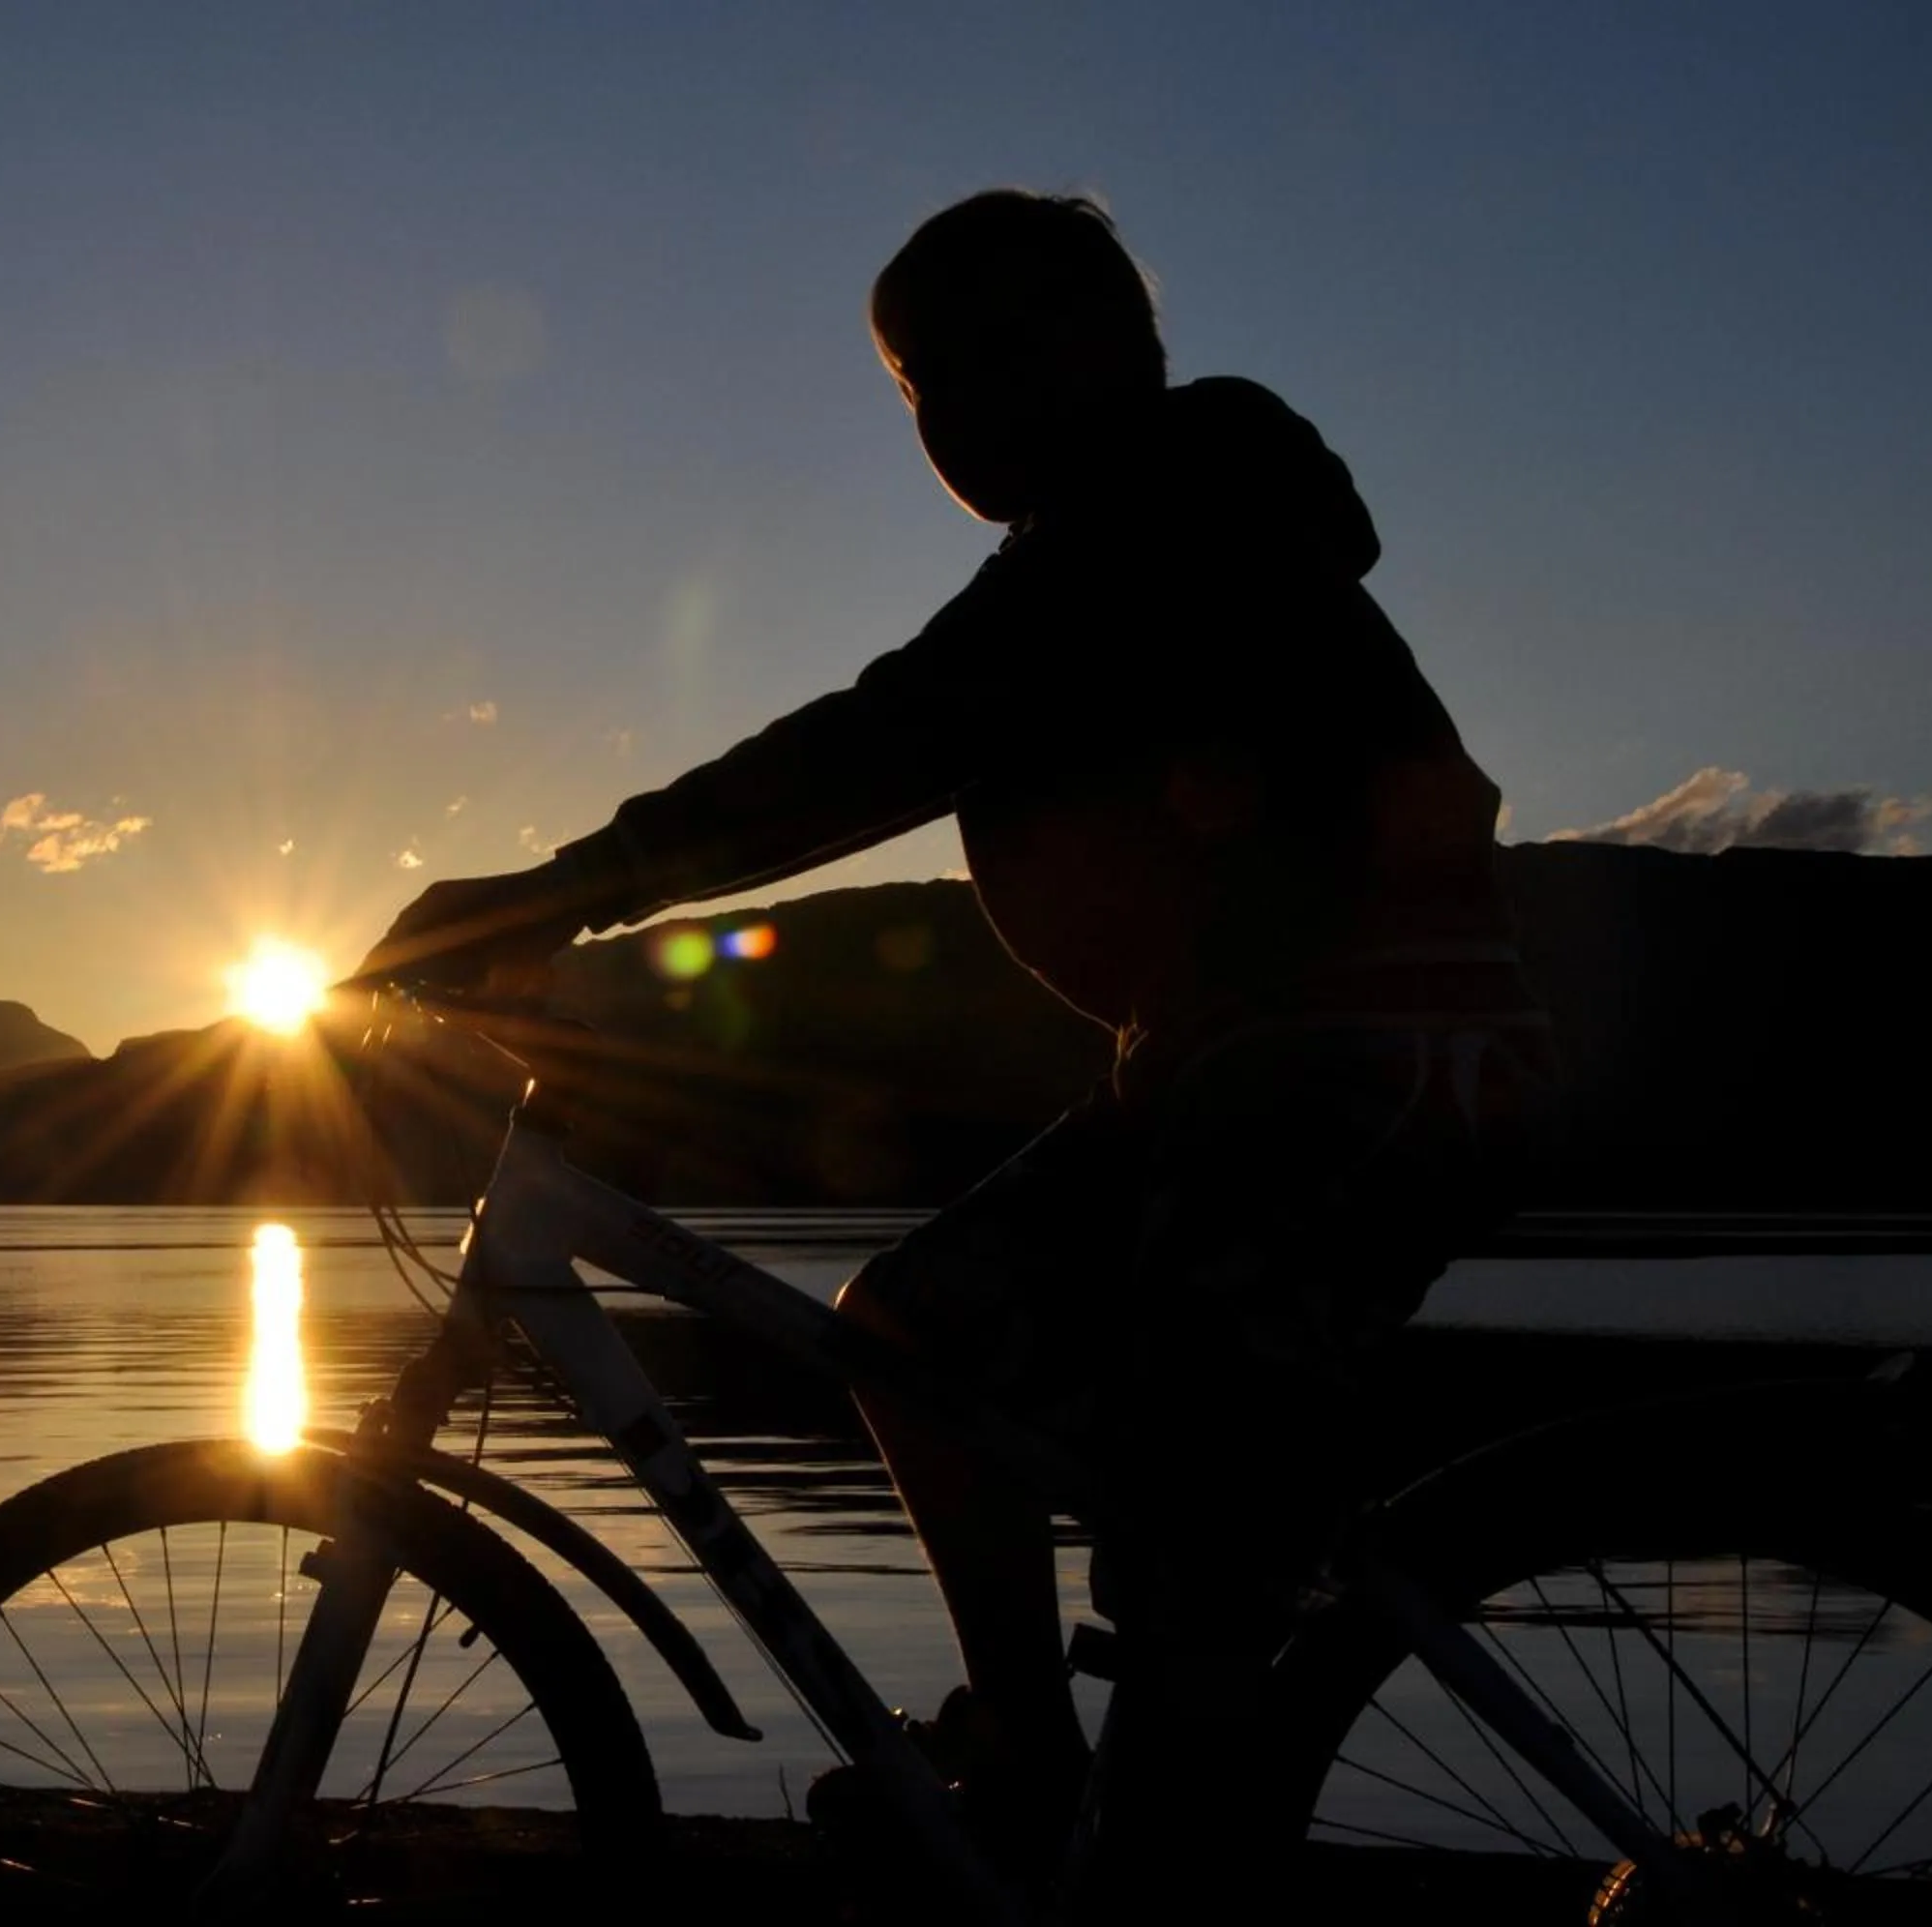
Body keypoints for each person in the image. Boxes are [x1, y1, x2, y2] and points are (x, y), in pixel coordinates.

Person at [358, 189, 1554, 1915]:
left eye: (1004, 349)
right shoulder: (1109, 540)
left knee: (1191, 1576)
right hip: (1227, 1074)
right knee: (912, 1332)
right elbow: (909, 732)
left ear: (1123, 350)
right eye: (921, 378)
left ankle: (1161, 1883)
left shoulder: (1171, 508)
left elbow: (870, 748)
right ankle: (1026, 1761)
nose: (960, 405)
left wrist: (568, 886)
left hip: (1362, 1073)